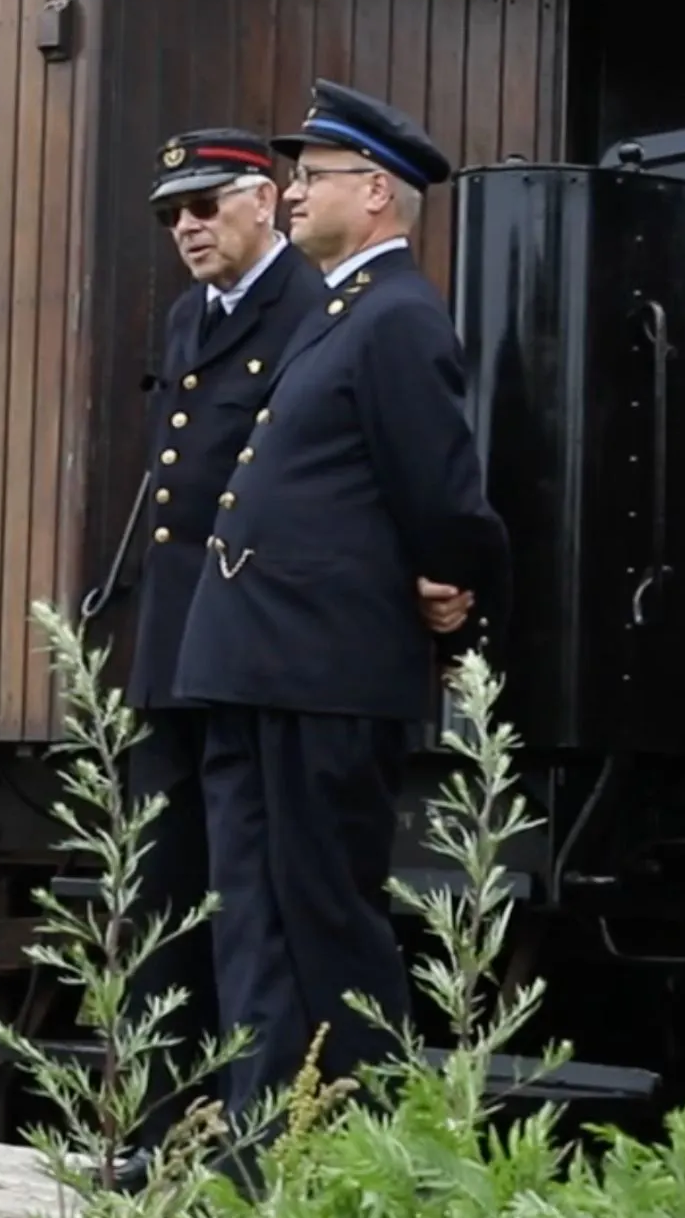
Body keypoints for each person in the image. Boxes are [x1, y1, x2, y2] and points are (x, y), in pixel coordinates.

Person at [170, 78, 510, 1139]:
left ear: (374, 191)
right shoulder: (344, 311)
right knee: (257, 916)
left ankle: (377, 1144)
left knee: (323, 912)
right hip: (261, 657)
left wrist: (455, 591)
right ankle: (262, 1138)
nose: (295, 189)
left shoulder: (398, 315)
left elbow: (442, 490)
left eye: (311, 176)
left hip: (326, 664)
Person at [84, 127, 321, 1163]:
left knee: (244, 893)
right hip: (176, 635)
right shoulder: (193, 315)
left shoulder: (308, 311)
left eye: (206, 203)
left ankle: (250, 1126)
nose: (186, 226)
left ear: (264, 199)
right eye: (172, 212)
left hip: (255, 635)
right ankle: (159, 1123)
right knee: (164, 884)